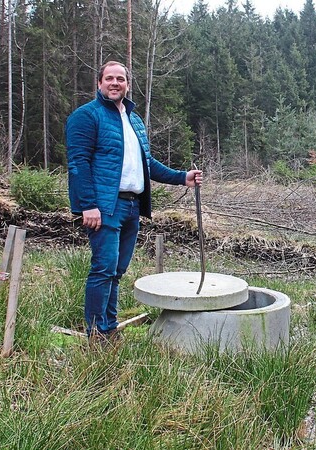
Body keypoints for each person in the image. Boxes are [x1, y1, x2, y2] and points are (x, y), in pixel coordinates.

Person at [66, 60, 202, 343]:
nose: (115, 83)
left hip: (131, 206)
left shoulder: (134, 120)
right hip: (105, 207)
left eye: (121, 79)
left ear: (127, 84)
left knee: (117, 271)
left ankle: (109, 327)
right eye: (110, 79)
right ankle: (96, 333)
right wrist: (87, 205)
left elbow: (146, 163)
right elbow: (77, 164)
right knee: (103, 268)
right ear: (99, 83)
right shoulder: (86, 116)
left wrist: (182, 177)